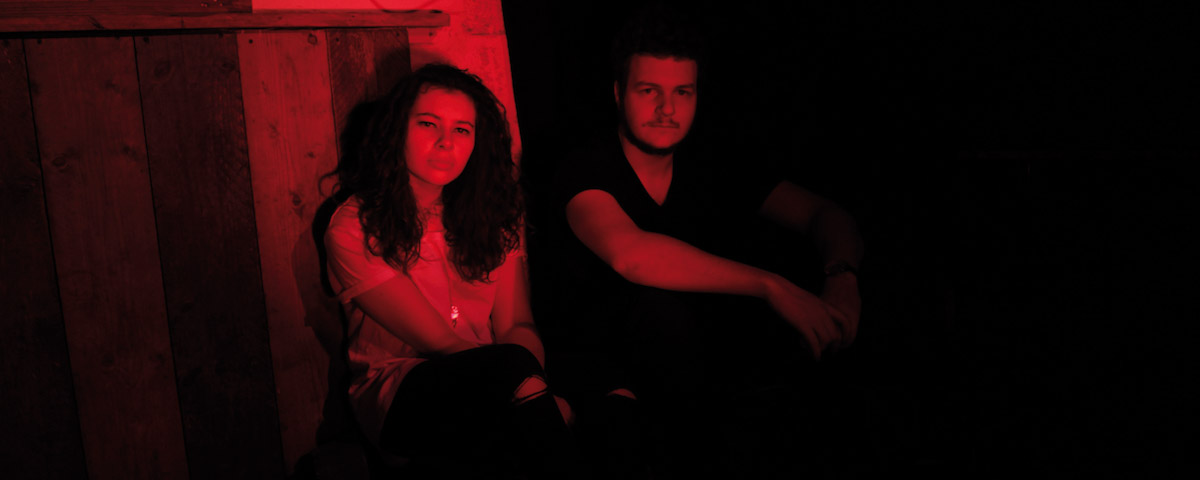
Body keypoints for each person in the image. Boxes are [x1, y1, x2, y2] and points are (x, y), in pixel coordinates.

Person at [536, 5, 864, 476]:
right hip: (607, 373)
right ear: (618, 93)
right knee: (660, 314)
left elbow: (825, 214)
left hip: (706, 371)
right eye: (649, 90)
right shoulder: (585, 166)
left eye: (682, 92)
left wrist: (841, 276)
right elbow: (632, 255)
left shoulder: (713, 162)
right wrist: (772, 287)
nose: (667, 109)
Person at [323, 64, 578, 479]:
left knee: (604, 386)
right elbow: (441, 343)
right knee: (530, 405)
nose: (445, 142)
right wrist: (531, 393)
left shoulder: (494, 214)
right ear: (397, 130)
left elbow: (516, 324)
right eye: (428, 124)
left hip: (499, 377)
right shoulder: (356, 225)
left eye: (462, 130)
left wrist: (532, 387)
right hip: (402, 390)